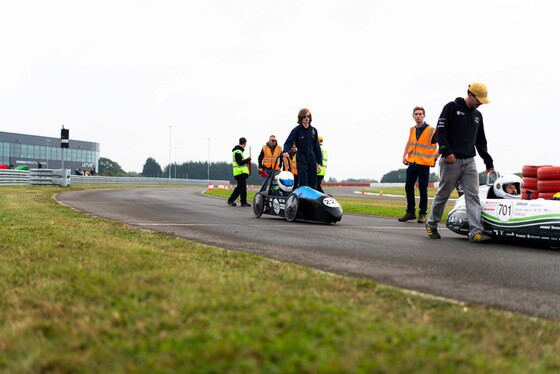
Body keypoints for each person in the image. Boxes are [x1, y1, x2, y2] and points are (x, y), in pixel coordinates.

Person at [426, 82, 495, 242]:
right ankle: (431, 223)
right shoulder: (451, 107)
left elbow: (480, 141)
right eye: (478, 100)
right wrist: (446, 151)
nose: (480, 104)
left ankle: (475, 232)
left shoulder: (478, 116)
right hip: (451, 161)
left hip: (469, 161)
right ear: (470, 95)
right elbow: (440, 132)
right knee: (443, 194)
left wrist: (488, 161)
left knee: (473, 196)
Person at [398, 106, 438, 224]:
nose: (418, 116)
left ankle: (422, 214)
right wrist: (404, 156)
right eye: (416, 114)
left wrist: (434, 158)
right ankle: (410, 212)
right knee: (408, 187)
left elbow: (443, 144)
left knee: (422, 189)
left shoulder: (431, 130)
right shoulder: (412, 130)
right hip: (413, 162)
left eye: (420, 114)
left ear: (424, 116)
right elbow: (409, 143)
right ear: (413, 116)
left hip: (424, 164)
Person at [282, 108, 322, 190]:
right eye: (304, 116)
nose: (307, 118)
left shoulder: (314, 131)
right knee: (303, 183)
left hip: (312, 159)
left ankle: (312, 202)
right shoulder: (296, 130)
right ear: (301, 118)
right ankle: (303, 201)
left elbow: (317, 148)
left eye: (308, 116)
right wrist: (286, 151)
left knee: (313, 184)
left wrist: (319, 163)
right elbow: (288, 142)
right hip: (301, 159)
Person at [227, 137, 252, 207]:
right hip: (240, 172)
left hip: (240, 172)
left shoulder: (239, 151)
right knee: (242, 188)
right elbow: (240, 163)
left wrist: (247, 161)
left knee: (240, 188)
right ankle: (242, 202)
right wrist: (247, 160)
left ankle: (232, 200)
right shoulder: (238, 152)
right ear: (245, 143)